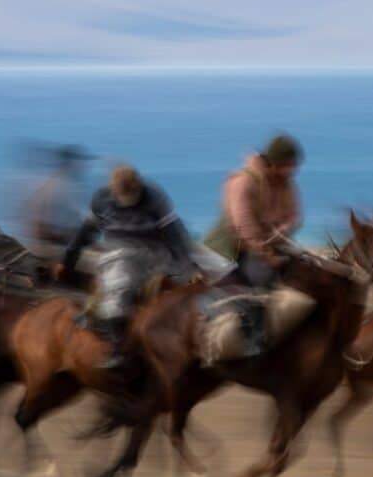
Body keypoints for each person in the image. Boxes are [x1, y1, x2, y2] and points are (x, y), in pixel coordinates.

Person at [57, 164, 201, 371]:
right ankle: (116, 349)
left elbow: (173, 232)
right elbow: (85, 232)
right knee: (119, 286)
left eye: (133, 194)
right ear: (113, 191)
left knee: (189, 287)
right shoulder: (101, 199)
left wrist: (189, 267)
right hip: (120, 251)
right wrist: (68, 259)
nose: (129, 199)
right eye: (124, 195)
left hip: (156, 251)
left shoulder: (155, 197)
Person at [204, 134, 303, 353]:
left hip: (269, 242)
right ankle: (253, 340)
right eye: (288, 165)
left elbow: (295, 215)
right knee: (257, 280)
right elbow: (244, 227)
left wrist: (282, 231)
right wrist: (268, 255)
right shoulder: (244, 181)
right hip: (233, 246)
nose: (292, 171)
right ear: (275, 163)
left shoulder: (286, 184)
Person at [22, 145, 93, 251]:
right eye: (80, 162)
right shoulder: (65, 186)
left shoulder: (48, 184)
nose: (83, 166)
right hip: (58, 244)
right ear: (71, 163)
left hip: (46, 241)